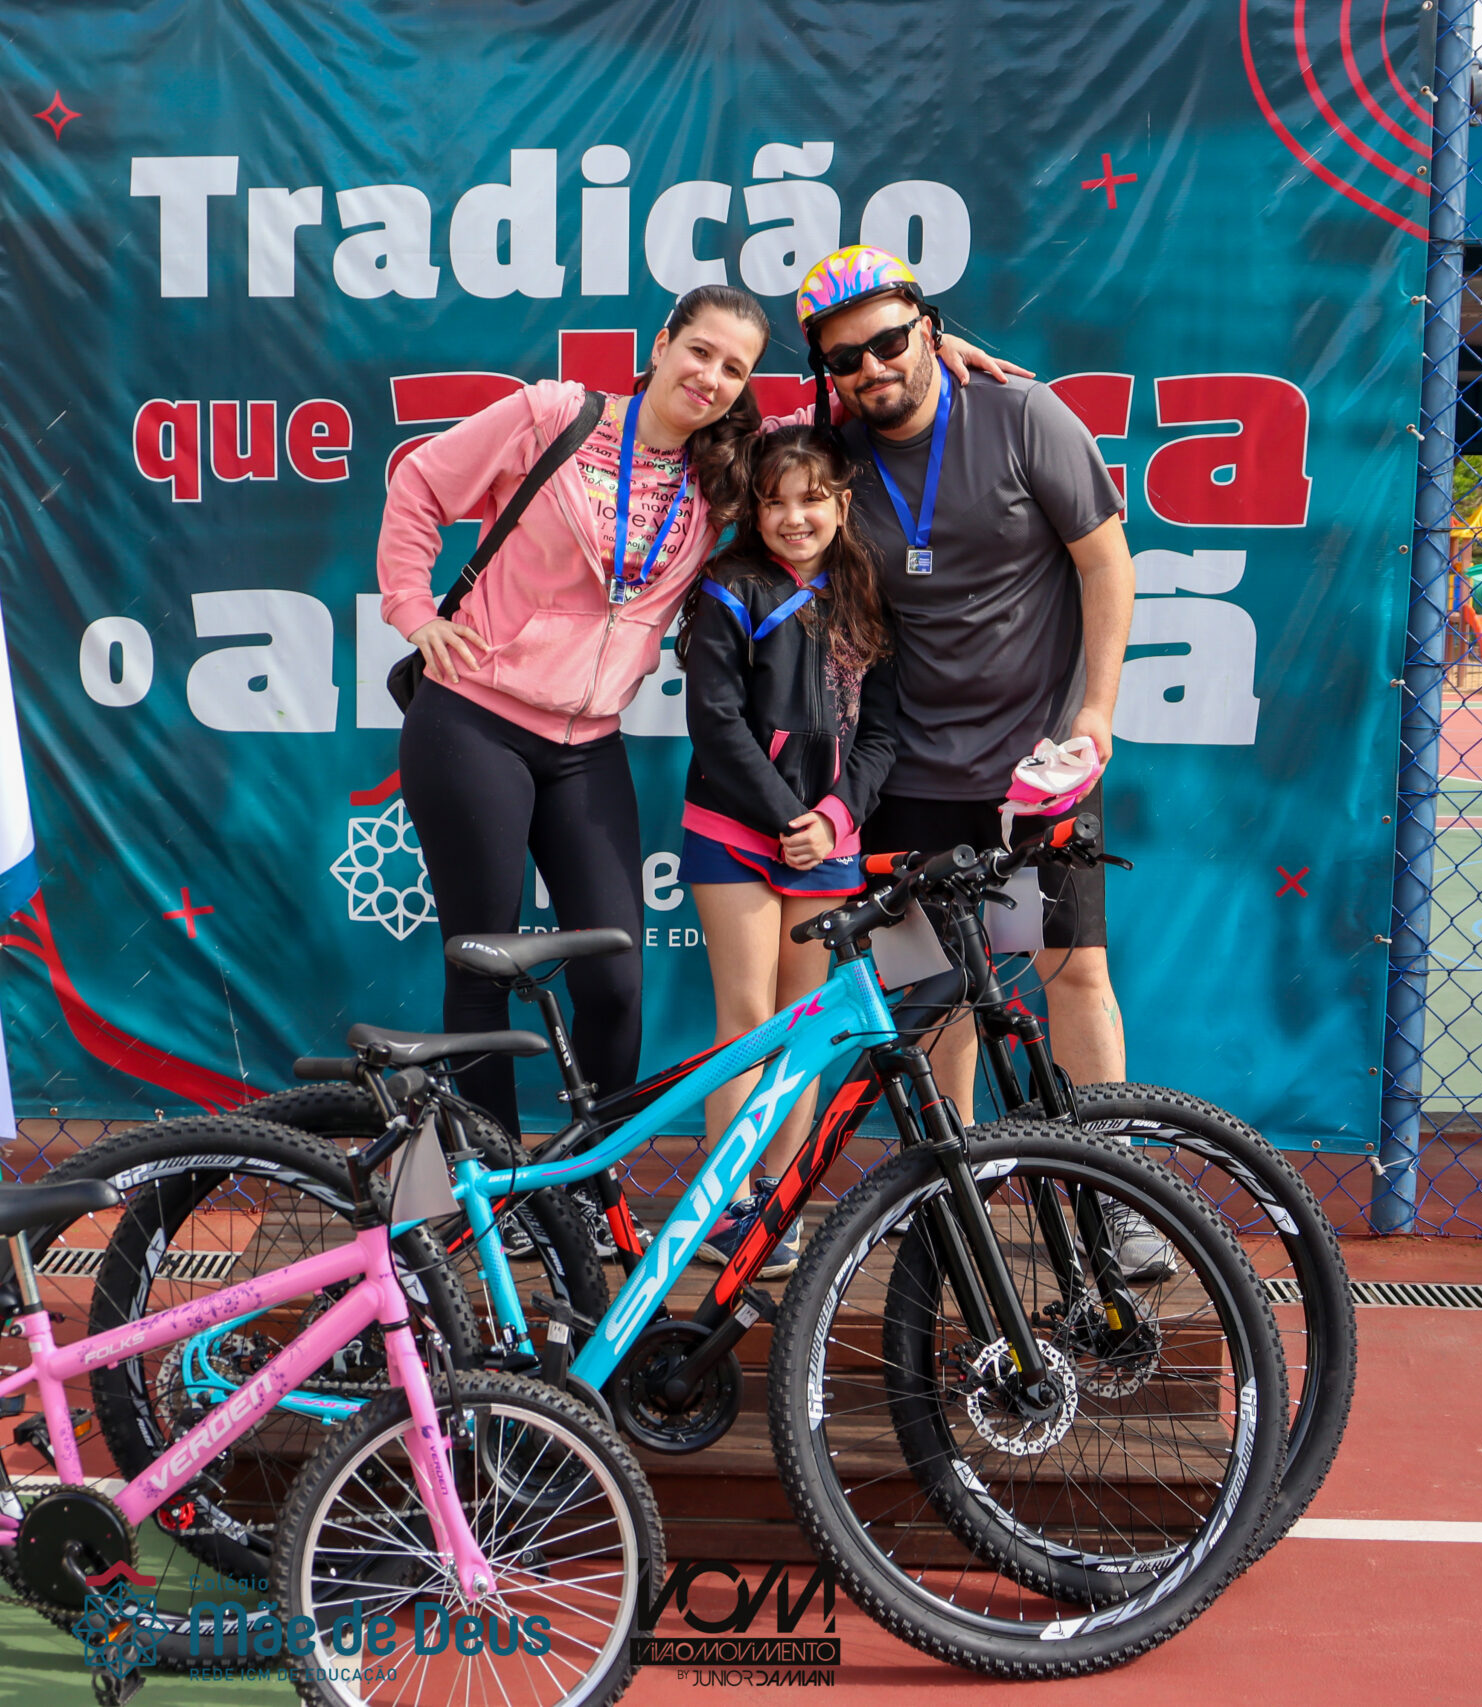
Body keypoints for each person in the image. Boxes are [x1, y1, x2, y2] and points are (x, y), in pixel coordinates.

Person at [377, 286, 1017, 1140]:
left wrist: (932, 358)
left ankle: (589, 1178)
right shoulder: (553, 416)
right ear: (662, 344)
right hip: (474, 722)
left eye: (734, 368)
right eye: (700, 352)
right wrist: (412, 610)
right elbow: (419, 483)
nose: (711, 378)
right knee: (482, 963)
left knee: (615, 979)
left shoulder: (724, 470)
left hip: (585, 745)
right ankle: (487, 1177)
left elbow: (823, 426)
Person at [788, 245, 1137, 1125]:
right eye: (845, 358)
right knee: (935, 991)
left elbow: (1106, 564)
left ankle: (1111, 1179)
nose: (872, 367)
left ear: (930, 330)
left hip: (1037, 769)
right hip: (907, 774)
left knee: (1072, 973)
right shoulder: (831, 461)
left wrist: (1096, 712)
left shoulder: (1024, 415)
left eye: (890, 341)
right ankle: (954, 1186)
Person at [676, 428, 898, 1278]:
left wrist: (835, 817)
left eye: (811, 499)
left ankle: (777, 1202)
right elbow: (715, 722)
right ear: (754, 510)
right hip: (736, 829)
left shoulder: (864, 593)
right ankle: (725, 1205)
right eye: (774, 502)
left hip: (828, 839)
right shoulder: (731, 586)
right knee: (746, 1019)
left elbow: (882, 734)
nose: (793, 518)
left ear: (842, 501)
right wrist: (784, 818)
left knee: (802, 1029)